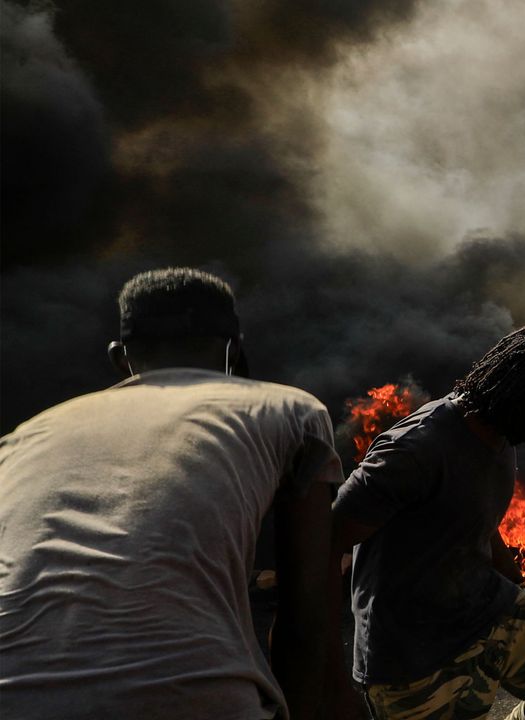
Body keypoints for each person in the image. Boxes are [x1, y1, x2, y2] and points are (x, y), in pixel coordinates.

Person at [0, 267, 342, 719]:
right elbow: (308, 607)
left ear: (119, 359)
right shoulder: (290, 408)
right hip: (190, 698)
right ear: (234, 350)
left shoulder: (26, 436)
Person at [333, 326, 525, 720]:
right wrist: (328, 671)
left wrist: (511, 575)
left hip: (482, 605)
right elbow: (326, 543)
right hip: (411, 650)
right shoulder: (413, 450)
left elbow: (466, 507)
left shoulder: (497, 432)